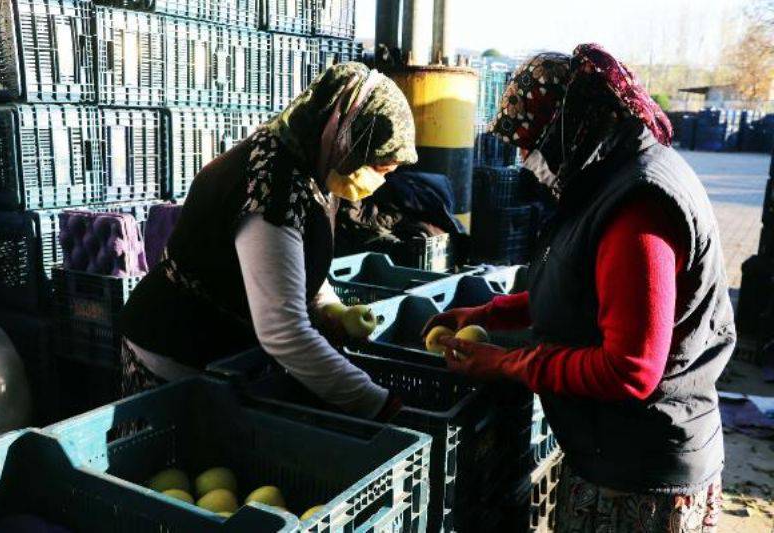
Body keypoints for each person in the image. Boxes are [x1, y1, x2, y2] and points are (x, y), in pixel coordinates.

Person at [423, 44, 731, 532]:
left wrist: (506, 363)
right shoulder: (606, 177)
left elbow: (630, 370)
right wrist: (488, 315)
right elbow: (586, 292)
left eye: (531, 143)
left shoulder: (638, 207)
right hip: (611, 455)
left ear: (569, 128)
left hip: (640, 478)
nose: (525, 159)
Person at [120, 63, 417, 420]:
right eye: (379, 168)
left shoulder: (316, 167)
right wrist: (378, 404)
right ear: (346, 137)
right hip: (175, 356)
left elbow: (291, 260)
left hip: (224, 357)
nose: (377, 182)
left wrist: (330, 307)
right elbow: (284, 332)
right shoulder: (271, 186)